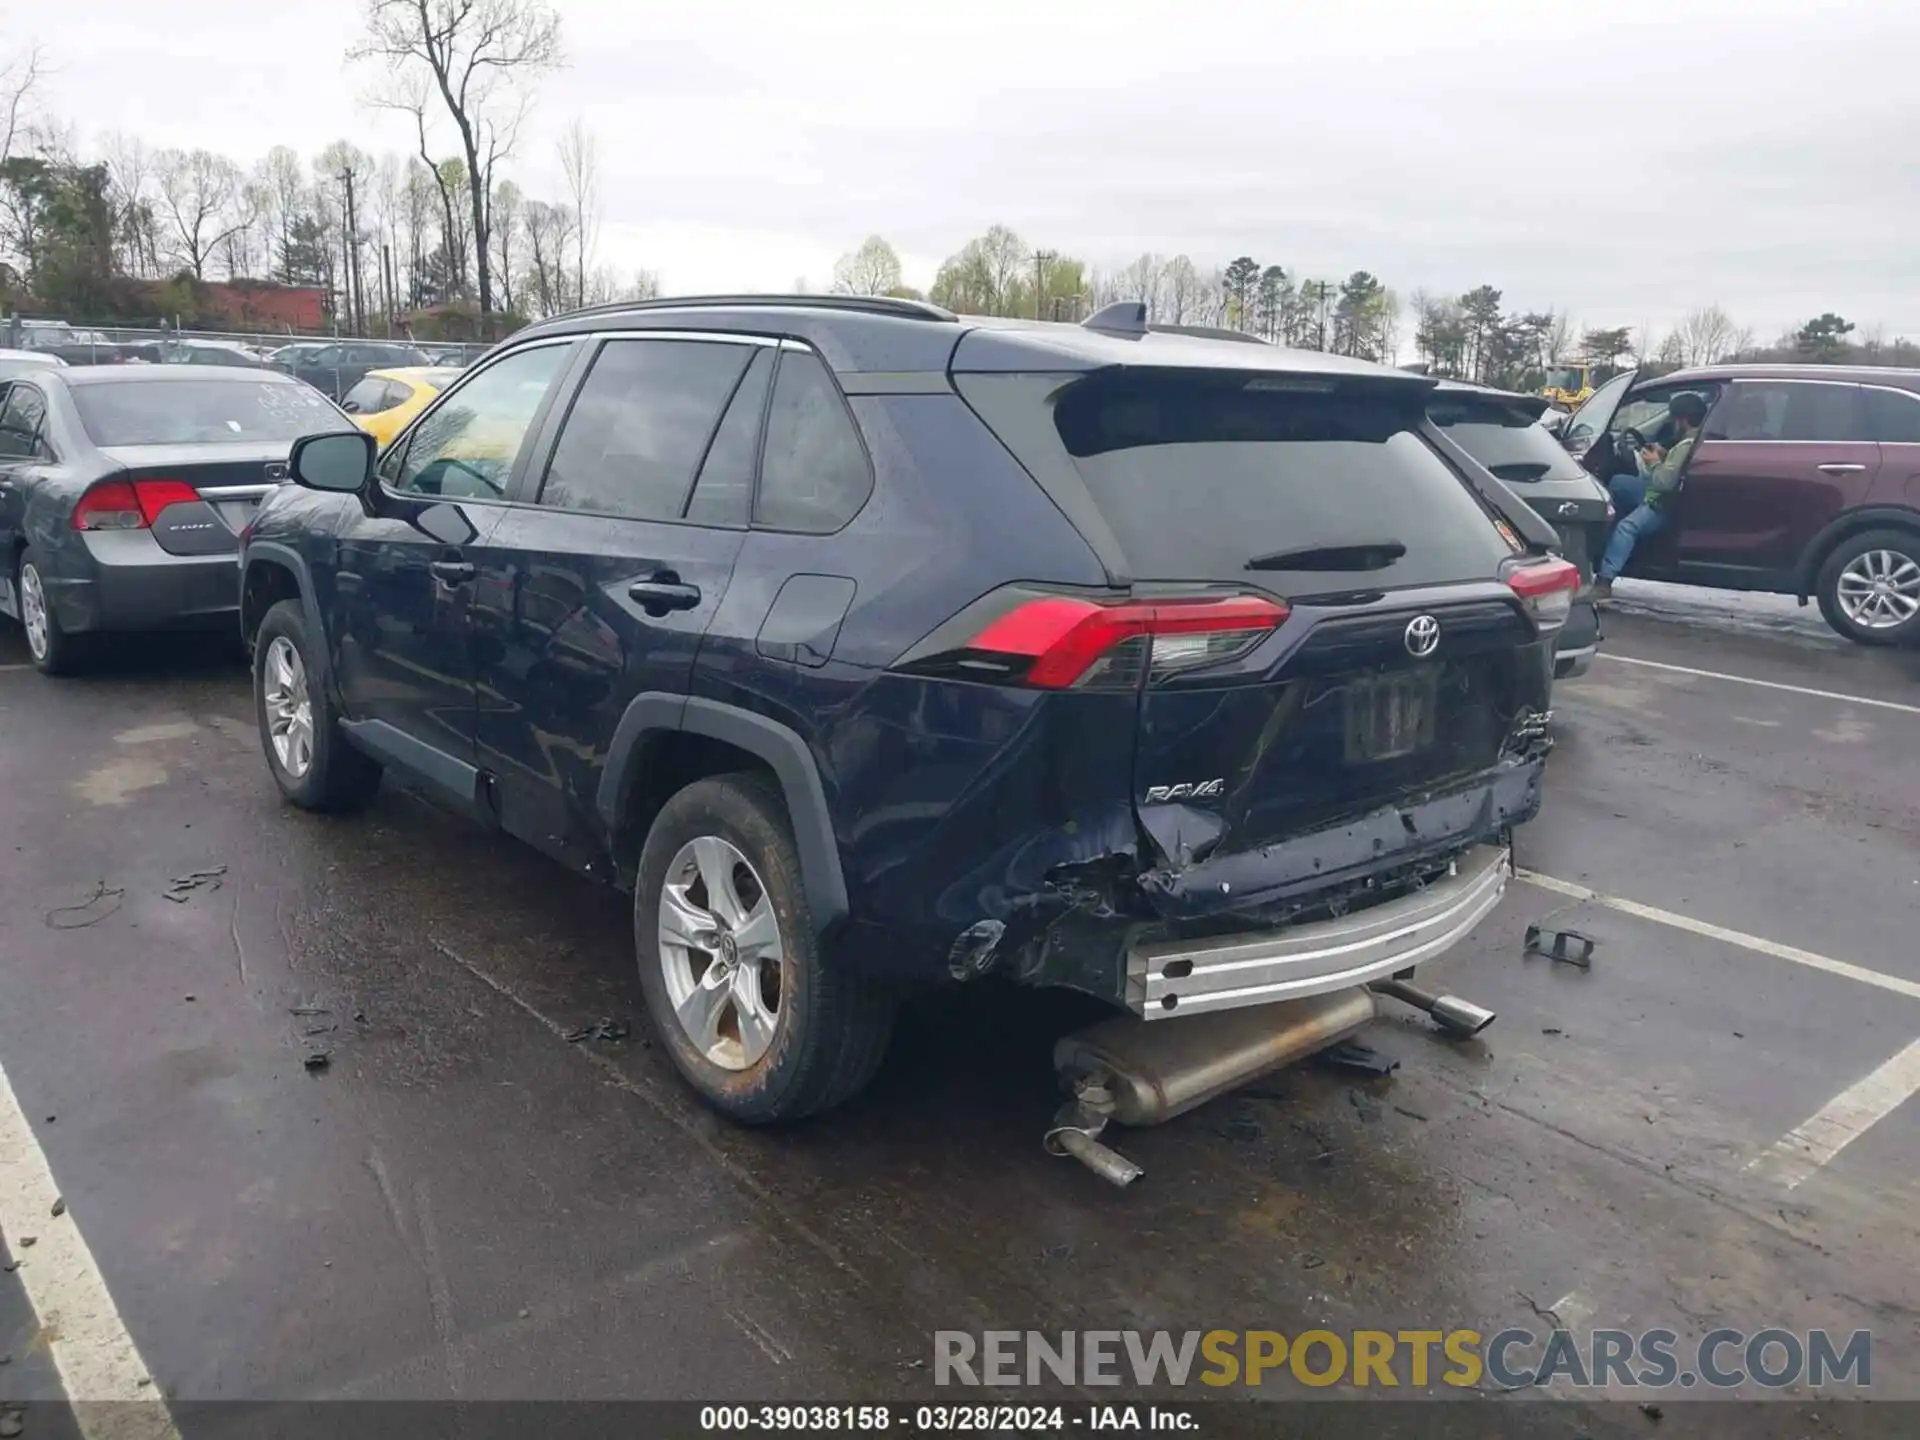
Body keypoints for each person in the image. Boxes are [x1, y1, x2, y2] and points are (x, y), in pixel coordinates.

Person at [1593, 391, 1708, 600]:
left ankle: (1604, 580)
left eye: (1675, 419)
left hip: (1662, 503)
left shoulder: (1684, 446)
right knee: (1619, 483)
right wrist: (1664, 456)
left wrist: (1654, 462)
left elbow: (1663, 483)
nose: (1673, 424)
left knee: (1626, 527)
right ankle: (1607, 543)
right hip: (1662, 495)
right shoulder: (1693, 440)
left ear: (1683, 420)